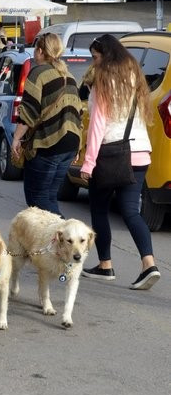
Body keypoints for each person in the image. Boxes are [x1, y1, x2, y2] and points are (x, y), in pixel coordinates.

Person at [80, 34, 160, 290]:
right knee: (130, 211)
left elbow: (98, 125)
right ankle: (149, 264)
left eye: (95, 57)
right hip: (139, 153)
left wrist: (88, 163)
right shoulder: (134, 77)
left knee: (99, 209)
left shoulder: (103, 81)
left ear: (106, 56)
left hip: (111, 154)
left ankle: (105, 266)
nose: (93, 63)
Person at [11, 32, 82, 216]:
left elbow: (29, 112)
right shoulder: (70, 76)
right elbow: (78, 112)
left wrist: (16, 139)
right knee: (50, 195)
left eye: (36, 49)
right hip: (71, 142)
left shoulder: (38, 73)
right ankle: (53, 241)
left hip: (48, 142)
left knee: (37, 199)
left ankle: (65, 236)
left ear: (40, 51)